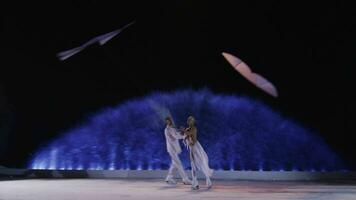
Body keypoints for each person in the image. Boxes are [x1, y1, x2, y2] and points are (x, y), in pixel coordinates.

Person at [183, 116, 213, 190]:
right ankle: (195, 183)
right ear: (188, 122)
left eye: (192, 121)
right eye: (190, 121)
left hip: (196, 148)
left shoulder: (194, 129)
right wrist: (185, 137)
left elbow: (193, 138)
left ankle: (208, 180)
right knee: (193, 166)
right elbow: (185, 138)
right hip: (191, 149)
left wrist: (185, 133)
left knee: (201, 164)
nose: (191, 122)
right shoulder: (187, 129)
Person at [164, 116, 192, 185]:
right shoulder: (168, 129)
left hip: (173, 149)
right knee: (179, 164)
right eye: (168, 121)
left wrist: (181, 132)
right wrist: (184, 135)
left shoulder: (171, 128)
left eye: (170, 120)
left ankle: (169, 178)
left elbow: (176, 134)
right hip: (172, 149)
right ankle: (185, 179)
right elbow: (176, 136)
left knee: (174, 164)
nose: (170, 121)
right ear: (167, 121)